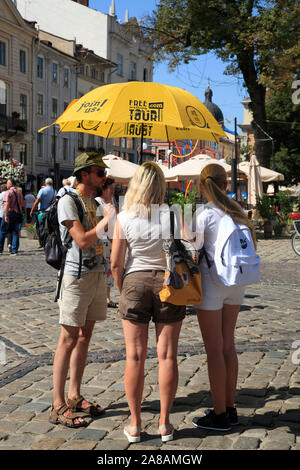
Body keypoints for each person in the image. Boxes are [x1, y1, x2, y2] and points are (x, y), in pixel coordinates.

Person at [111, 162, 185, 443]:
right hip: (168, 283)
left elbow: (116, 263)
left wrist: (123, 290)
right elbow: (184, 252)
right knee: (166, 355)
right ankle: (165, 424)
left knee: (134, 356)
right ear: (160, 186)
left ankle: (134, 424)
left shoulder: (125, 216)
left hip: (135, 281)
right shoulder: (172, 215)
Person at [50, 152, 116, 428]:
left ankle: (75, 395)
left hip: (97, 275)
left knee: (85, 336)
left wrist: (108, 212)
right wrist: (104, 221)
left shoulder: (95, 201)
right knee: (68, 338)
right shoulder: (68, 201)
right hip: (76, 277)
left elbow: (105, 238)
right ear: (84, 174)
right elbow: (82, 240)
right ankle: (57, 404)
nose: (104, 177)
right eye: (99, 173)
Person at [191, 163, 257, 432]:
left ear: (202, 186)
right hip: (237, 281)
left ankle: (219, 414)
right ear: (226, 184)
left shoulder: (205, 214)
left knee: (214, 349)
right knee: (228, 344)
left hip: (212, 283)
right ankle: (230, 408)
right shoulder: (238, 211)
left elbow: (193, 251)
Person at [95, 177, 118, 308]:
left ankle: (107, 297)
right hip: (103, 241)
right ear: (103, 189)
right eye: (111, 188)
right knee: (103, 267)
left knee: (109, 267)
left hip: (112, 240)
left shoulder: (112, 202)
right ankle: (102, 296)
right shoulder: (98, 203)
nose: (113, 191)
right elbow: (100, 224)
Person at [0, 178, 25, 255]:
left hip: (10, 212)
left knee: (3, 231)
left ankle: (0, 249)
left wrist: (6, 215)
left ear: (11, 184)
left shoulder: (8, 192)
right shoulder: (19, 192)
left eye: (8, 183)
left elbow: (6, 204)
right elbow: (22, 204)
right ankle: (14, 251)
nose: (7, 185)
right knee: (15, 232)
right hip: (17, 213)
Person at [30, 178, 57, 247]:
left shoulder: (42, 190)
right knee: (49, 227)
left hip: (42, 212)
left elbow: (37, 201)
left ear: (45, 183)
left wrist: (32, 210)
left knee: (40, 227)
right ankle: (50, 241)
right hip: (50, 212)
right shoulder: (54, 191)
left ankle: (41, 242)